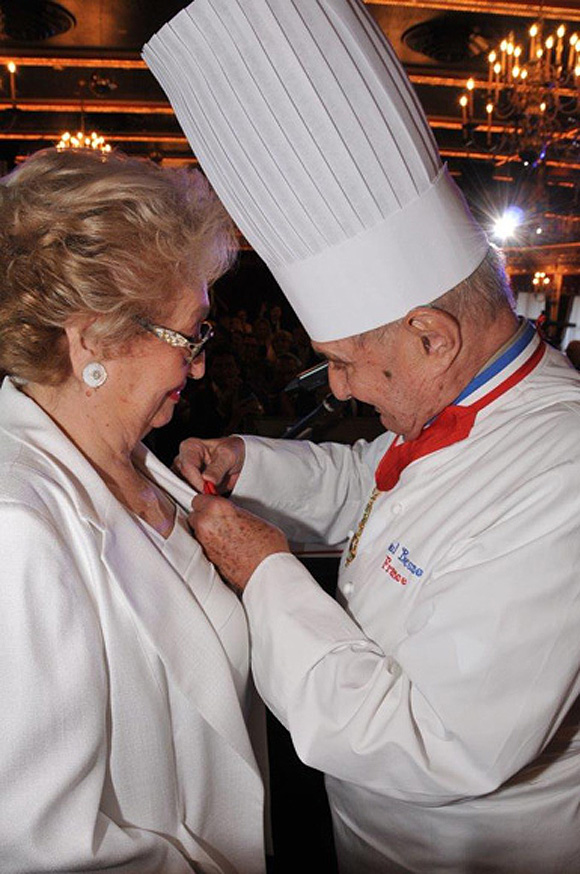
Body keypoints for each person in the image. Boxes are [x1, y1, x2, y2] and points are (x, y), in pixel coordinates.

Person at [145, 2, 580, 872]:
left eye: (343, 362)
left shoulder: (563, 476)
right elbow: (371, 488)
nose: (336, 388)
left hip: (476, 852)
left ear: (431, 336)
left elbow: (432, 740)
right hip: (370, 828)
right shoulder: (468, 405)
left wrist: (265, 570)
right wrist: (247, 462)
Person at [0, 147, 268, 873]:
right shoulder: (17, 529)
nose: (201, 363)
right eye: (191, 337)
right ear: (95, 337)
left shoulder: (139, 462)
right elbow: (43, 847)